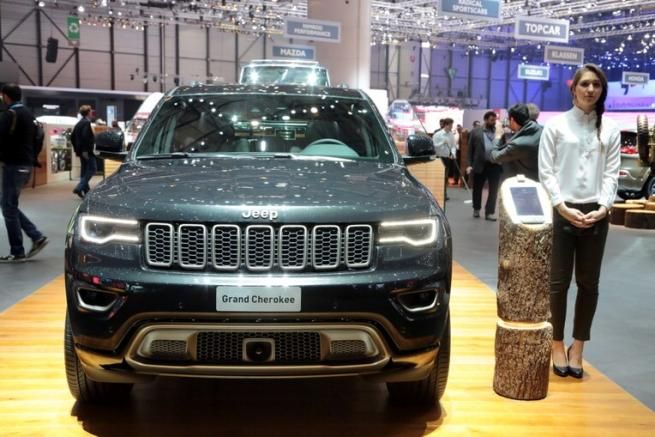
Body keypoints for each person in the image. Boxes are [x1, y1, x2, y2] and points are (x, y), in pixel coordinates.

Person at [538, 64, 620, 379]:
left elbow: (611, 173)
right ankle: (557, 343)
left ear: (602, 90)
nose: (590, 90)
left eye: (596, 85)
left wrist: (604, 207)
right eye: (585, 84)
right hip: (561, 212)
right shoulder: (556, 126)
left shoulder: (610, 129)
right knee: (557, 283)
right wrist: (560, 206)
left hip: (596, 213)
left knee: (589, 284)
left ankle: (579, 347)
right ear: (573, 89)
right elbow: (546, 171)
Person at [0, 83, 49, 262]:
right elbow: (39, 137)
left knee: (8, 207)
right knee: (9, 205)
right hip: (26, 164)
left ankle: (18, 250)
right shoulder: (29, 114)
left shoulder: (10, 114)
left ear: (6, 96)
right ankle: (36, 236)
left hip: (13, 164)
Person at [490, 103, 543, 181]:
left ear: (512, 119)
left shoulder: (518, 144)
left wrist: (497, 136)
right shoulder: (541, 129)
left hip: (528, 182)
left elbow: (494, 157)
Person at [466, 111, 502, 221]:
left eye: (495, 120)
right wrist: (469, 164)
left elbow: (504, 146)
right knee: (477, 188)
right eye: (492, 120)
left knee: (493, 190)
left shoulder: (499, 132)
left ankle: (489, 212)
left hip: (495, 165)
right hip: (479, 164)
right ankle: (476, 209)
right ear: (485, 120)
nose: (494, 122)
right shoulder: (475, 132)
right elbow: (470, 149)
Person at [71, 105, 96, 199]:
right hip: (87, 151)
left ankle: (86, 191)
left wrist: (77, 149)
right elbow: (85, 137)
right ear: (88, 112)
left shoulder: (79, 123)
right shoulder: (86, 123)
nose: (92, 113)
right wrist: (85, 150)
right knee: (92, 168)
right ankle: (79, 187)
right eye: (91, 111)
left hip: (81, 151)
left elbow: (72, 137)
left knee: (84, 170)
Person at [433, 118, 456, 201]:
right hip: (438, 158)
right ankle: (436, 194)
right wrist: (442, 143)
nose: (451, 127)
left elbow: (453, 146)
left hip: (447, 158)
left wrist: (453, 153)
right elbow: (434, 146)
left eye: (452, 125)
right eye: (450, 125)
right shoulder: (437, 134)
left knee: (445, 177)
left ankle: (444, 193)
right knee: (439, 177)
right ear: (446, 125)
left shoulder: (451, 135)